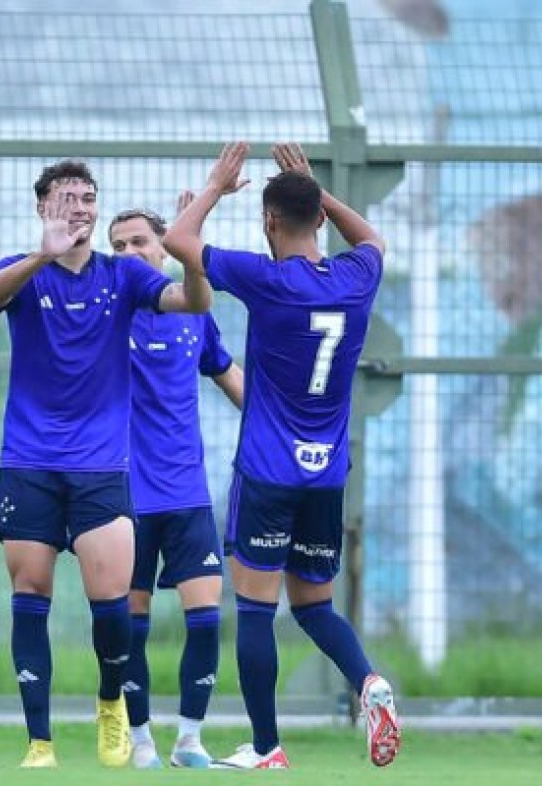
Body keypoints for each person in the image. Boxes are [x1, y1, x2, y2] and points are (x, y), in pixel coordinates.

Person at [0, 154, 234, 768]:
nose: (80, 209)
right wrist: (43, 252)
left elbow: (190, 301)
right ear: (44, 208)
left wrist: (192, 250)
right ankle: (39, 742)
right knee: (30, 590)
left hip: (100, 466)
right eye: (67, 198)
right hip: (29, 460)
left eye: (87, 197)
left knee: (112, 603)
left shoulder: (123, 276)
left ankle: (110, 703)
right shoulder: (23, 272)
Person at [163, 141, 402, 770]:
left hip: (269, 470)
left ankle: (267, 746)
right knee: (317, 606)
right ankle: (370, 683)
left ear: (269, 222)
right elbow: (373, 237)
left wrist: (216, 186)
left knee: (255, 610)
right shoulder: (357, 277)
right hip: (328, 476)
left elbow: (179, 242)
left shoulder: (266, 280)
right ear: (320, 219)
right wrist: (314, 187)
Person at [108, 197, 245, 769]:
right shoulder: (107, 310)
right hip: (125, 499)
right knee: (128, 624)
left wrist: (279, 429)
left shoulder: (194, 310)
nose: (128, 253)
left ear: (163, 247)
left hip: (187, 493)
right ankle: (139, 739)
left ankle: (190, 737)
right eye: (117, 246)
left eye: (138, 241)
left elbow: (227, 375)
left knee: (207, 617)